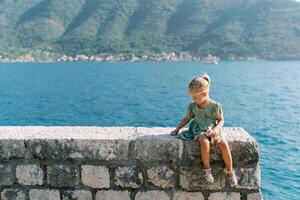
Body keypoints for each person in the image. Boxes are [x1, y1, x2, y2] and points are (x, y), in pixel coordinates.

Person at [171, 74, 237, 186]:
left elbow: (221, 120)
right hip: (199, 130)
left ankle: (230, 170)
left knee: (224, 144)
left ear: (204, 94)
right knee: (204, 141)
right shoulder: (193, 106)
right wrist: (177, 129)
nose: (193, 99)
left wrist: (216, 130)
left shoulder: (215, 106)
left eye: (195, 97)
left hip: (213, 130)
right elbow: (187, 118)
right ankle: (207, 170)